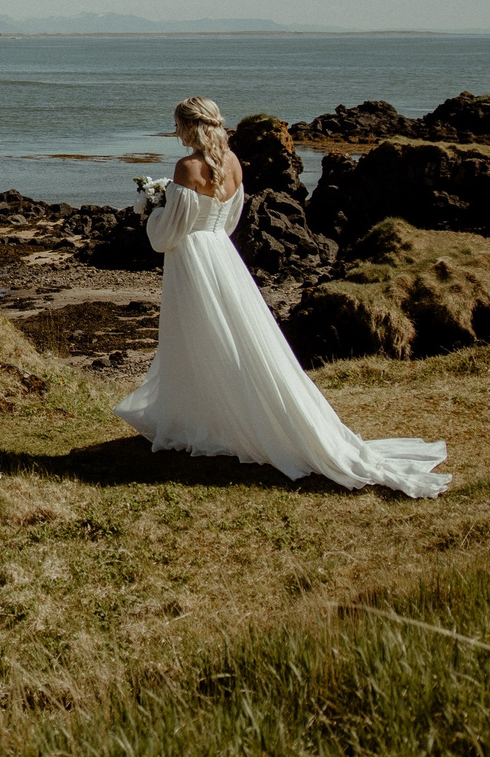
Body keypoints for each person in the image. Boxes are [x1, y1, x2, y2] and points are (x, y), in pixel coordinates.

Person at [112, 96, 451, 498]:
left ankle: (211, 420)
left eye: (178, 126)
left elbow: (169, 235)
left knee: (200, 335)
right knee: (232, 336)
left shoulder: (186, 168)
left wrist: (152, 211)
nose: (175, 133)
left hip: (195, 261)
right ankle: (213, 413)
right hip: (223, 255)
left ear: (190, 128)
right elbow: (231, 217)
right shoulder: (232, 163)